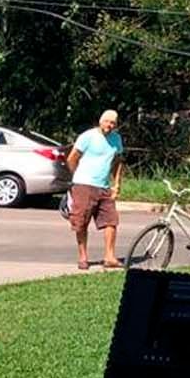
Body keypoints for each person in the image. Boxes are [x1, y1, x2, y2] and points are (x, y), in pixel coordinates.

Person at [67, 109, 123, 271]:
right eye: (107, 121)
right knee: (81, 222)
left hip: (104, 186)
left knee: (111, 221)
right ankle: (83, 257)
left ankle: (109, 257)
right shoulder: (87, 136)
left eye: (113, 123)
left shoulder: (116, 139)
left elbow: (118, 162)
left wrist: (116, 184)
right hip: (84, 185)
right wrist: (77, 178)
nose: (109, 125)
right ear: (100, 121)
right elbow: (72, 158)